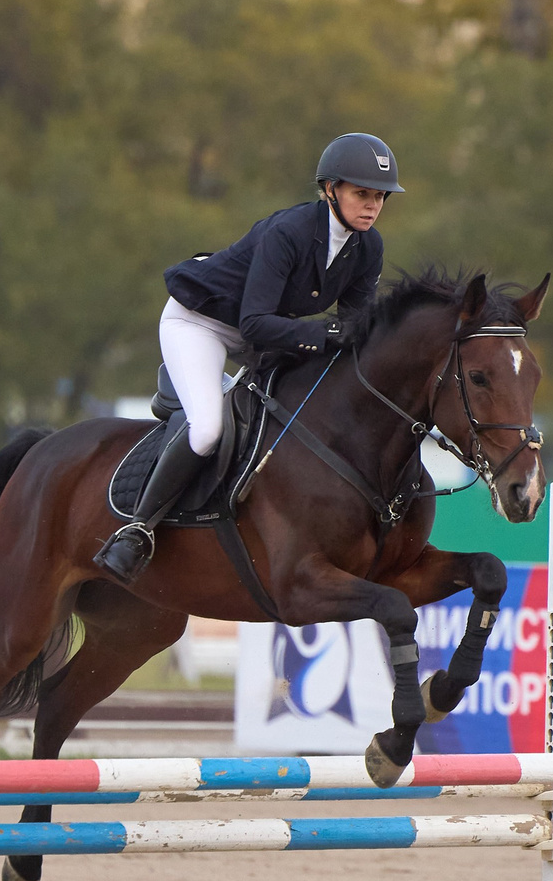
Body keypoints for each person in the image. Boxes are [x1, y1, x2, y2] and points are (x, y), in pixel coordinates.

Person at [96, 131, 400, 580]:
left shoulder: (368, 247)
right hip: (200, 322)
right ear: (330, 190)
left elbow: (352, 329)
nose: (372, 205)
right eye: (362, 194)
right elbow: (256, 323)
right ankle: (137, 531)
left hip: (262, 333)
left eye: (379, 196)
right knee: (207, 430)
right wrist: (325, 333)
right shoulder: (289, 232)